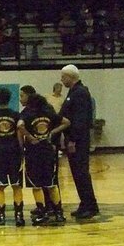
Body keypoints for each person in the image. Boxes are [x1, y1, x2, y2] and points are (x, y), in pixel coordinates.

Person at [18, 92, 68, 225]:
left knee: (36, 185)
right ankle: (59, 213)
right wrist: (52, 132)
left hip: (33, 151)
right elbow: (66, 122)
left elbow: (19, 125)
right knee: (51, 184)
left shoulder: (27, 114)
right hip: (48, 150)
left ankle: (42, 212)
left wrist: (29, 137)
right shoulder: (49, 113)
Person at [60, 64, 99, 219]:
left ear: (71, 77)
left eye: (63, 77)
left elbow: (80, 120)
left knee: (81, 173)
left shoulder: (80, 93)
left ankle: (90, 205)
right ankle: (85, 203)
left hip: (78, 141)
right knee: (77, 174)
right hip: (74, 139)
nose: (61, 80)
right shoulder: (73, 92)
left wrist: (73, 140)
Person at [0, 86, 24, 226]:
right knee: (16, 185)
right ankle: (19, 216)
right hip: (14, 151)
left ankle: (0, 216)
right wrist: (21, 150)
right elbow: (20, 134)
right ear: (10, 98)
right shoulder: (15, 114)